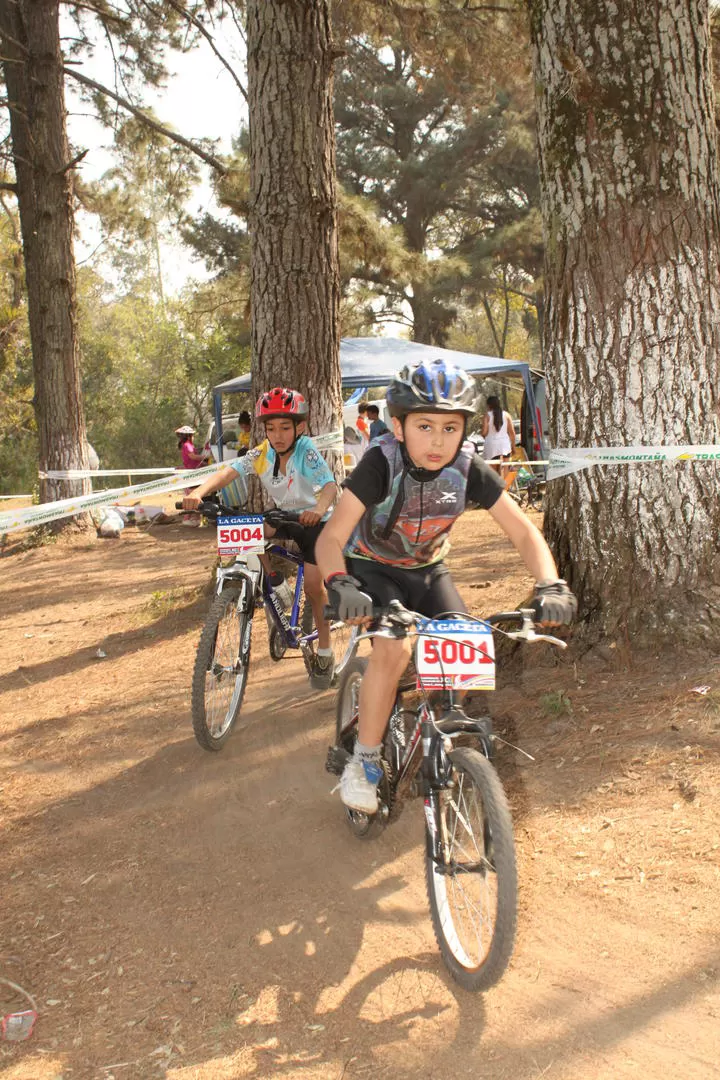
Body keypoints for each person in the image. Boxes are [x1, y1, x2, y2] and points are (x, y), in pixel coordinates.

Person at [316, 358, 577, 814]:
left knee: (462, 641)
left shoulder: (468, 468)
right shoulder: (381, 463)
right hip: (371, 567)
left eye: (450, 428)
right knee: (392, 650)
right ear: (398, 427)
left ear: (464, 430)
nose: (438, 441)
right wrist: (340, 583)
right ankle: (365, 759)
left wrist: (550, 583)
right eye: (424, 426)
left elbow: (522, 531)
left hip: (429, 570)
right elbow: (332, 537)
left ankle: (447, 746)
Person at [182, 388, 339, 689]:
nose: (277, 435)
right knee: (249, 531)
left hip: (315, 523)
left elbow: (330, 486)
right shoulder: (262, 453)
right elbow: (229, 472)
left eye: (284, 427)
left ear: (300, 427)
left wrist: (319, 509)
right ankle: (275, 581)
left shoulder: (305, 451)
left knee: (313, 588)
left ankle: (326, 651)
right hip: (283, 516)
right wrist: (199, 493)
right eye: (270, 428)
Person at [176, 425, 211, 526]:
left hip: (195, 472)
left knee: (195, 495)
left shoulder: (189, 445)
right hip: (192, 474)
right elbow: (193, 457)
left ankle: (194, 518)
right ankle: (188, 517)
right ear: (189, 436)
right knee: (193, 495)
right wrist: (205, 457)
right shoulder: (187, 445)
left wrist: (204, 463)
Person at [481, 394, 515, 475]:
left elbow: (484, 433)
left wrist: (482, 432)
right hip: (504, 446)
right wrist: (513, 447)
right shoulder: (506, 415)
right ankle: (505, 487)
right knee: (505, 471)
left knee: (493, 474)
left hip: (491, 447)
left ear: (489, 405)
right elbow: (512, 433)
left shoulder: (487, 416)